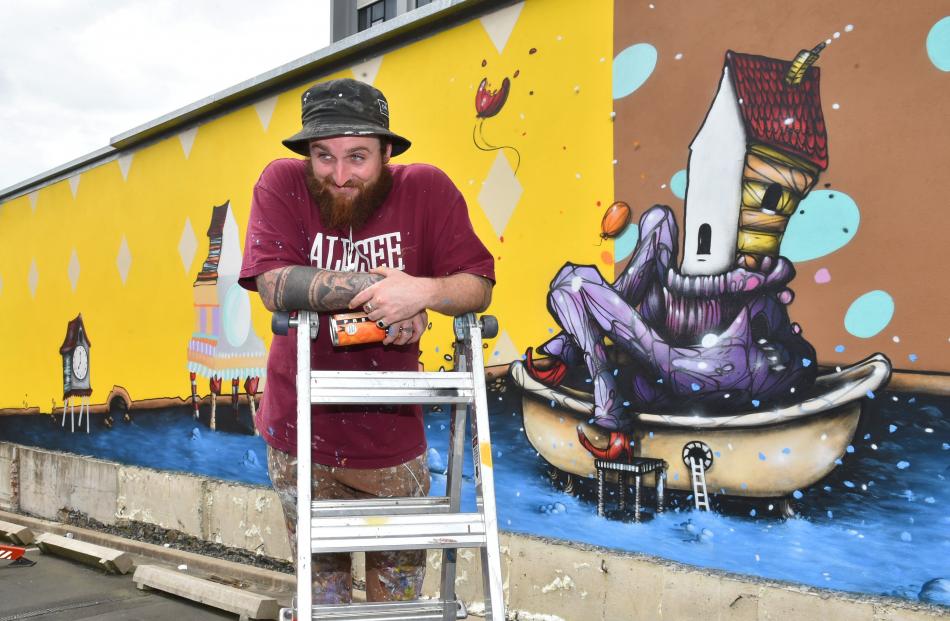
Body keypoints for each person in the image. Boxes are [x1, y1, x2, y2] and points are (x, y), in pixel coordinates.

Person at [239, 78, 495, 604]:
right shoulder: (283, 182)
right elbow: (274, 285)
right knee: (322, 600)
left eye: (357, 156)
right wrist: (391, 296)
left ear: (386, 151)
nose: (339, 175)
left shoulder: (426, 189)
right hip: (298, 436)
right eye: (323, 156)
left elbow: (477, 285)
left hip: (391, 444)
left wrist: (422, 292)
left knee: (395, 606)